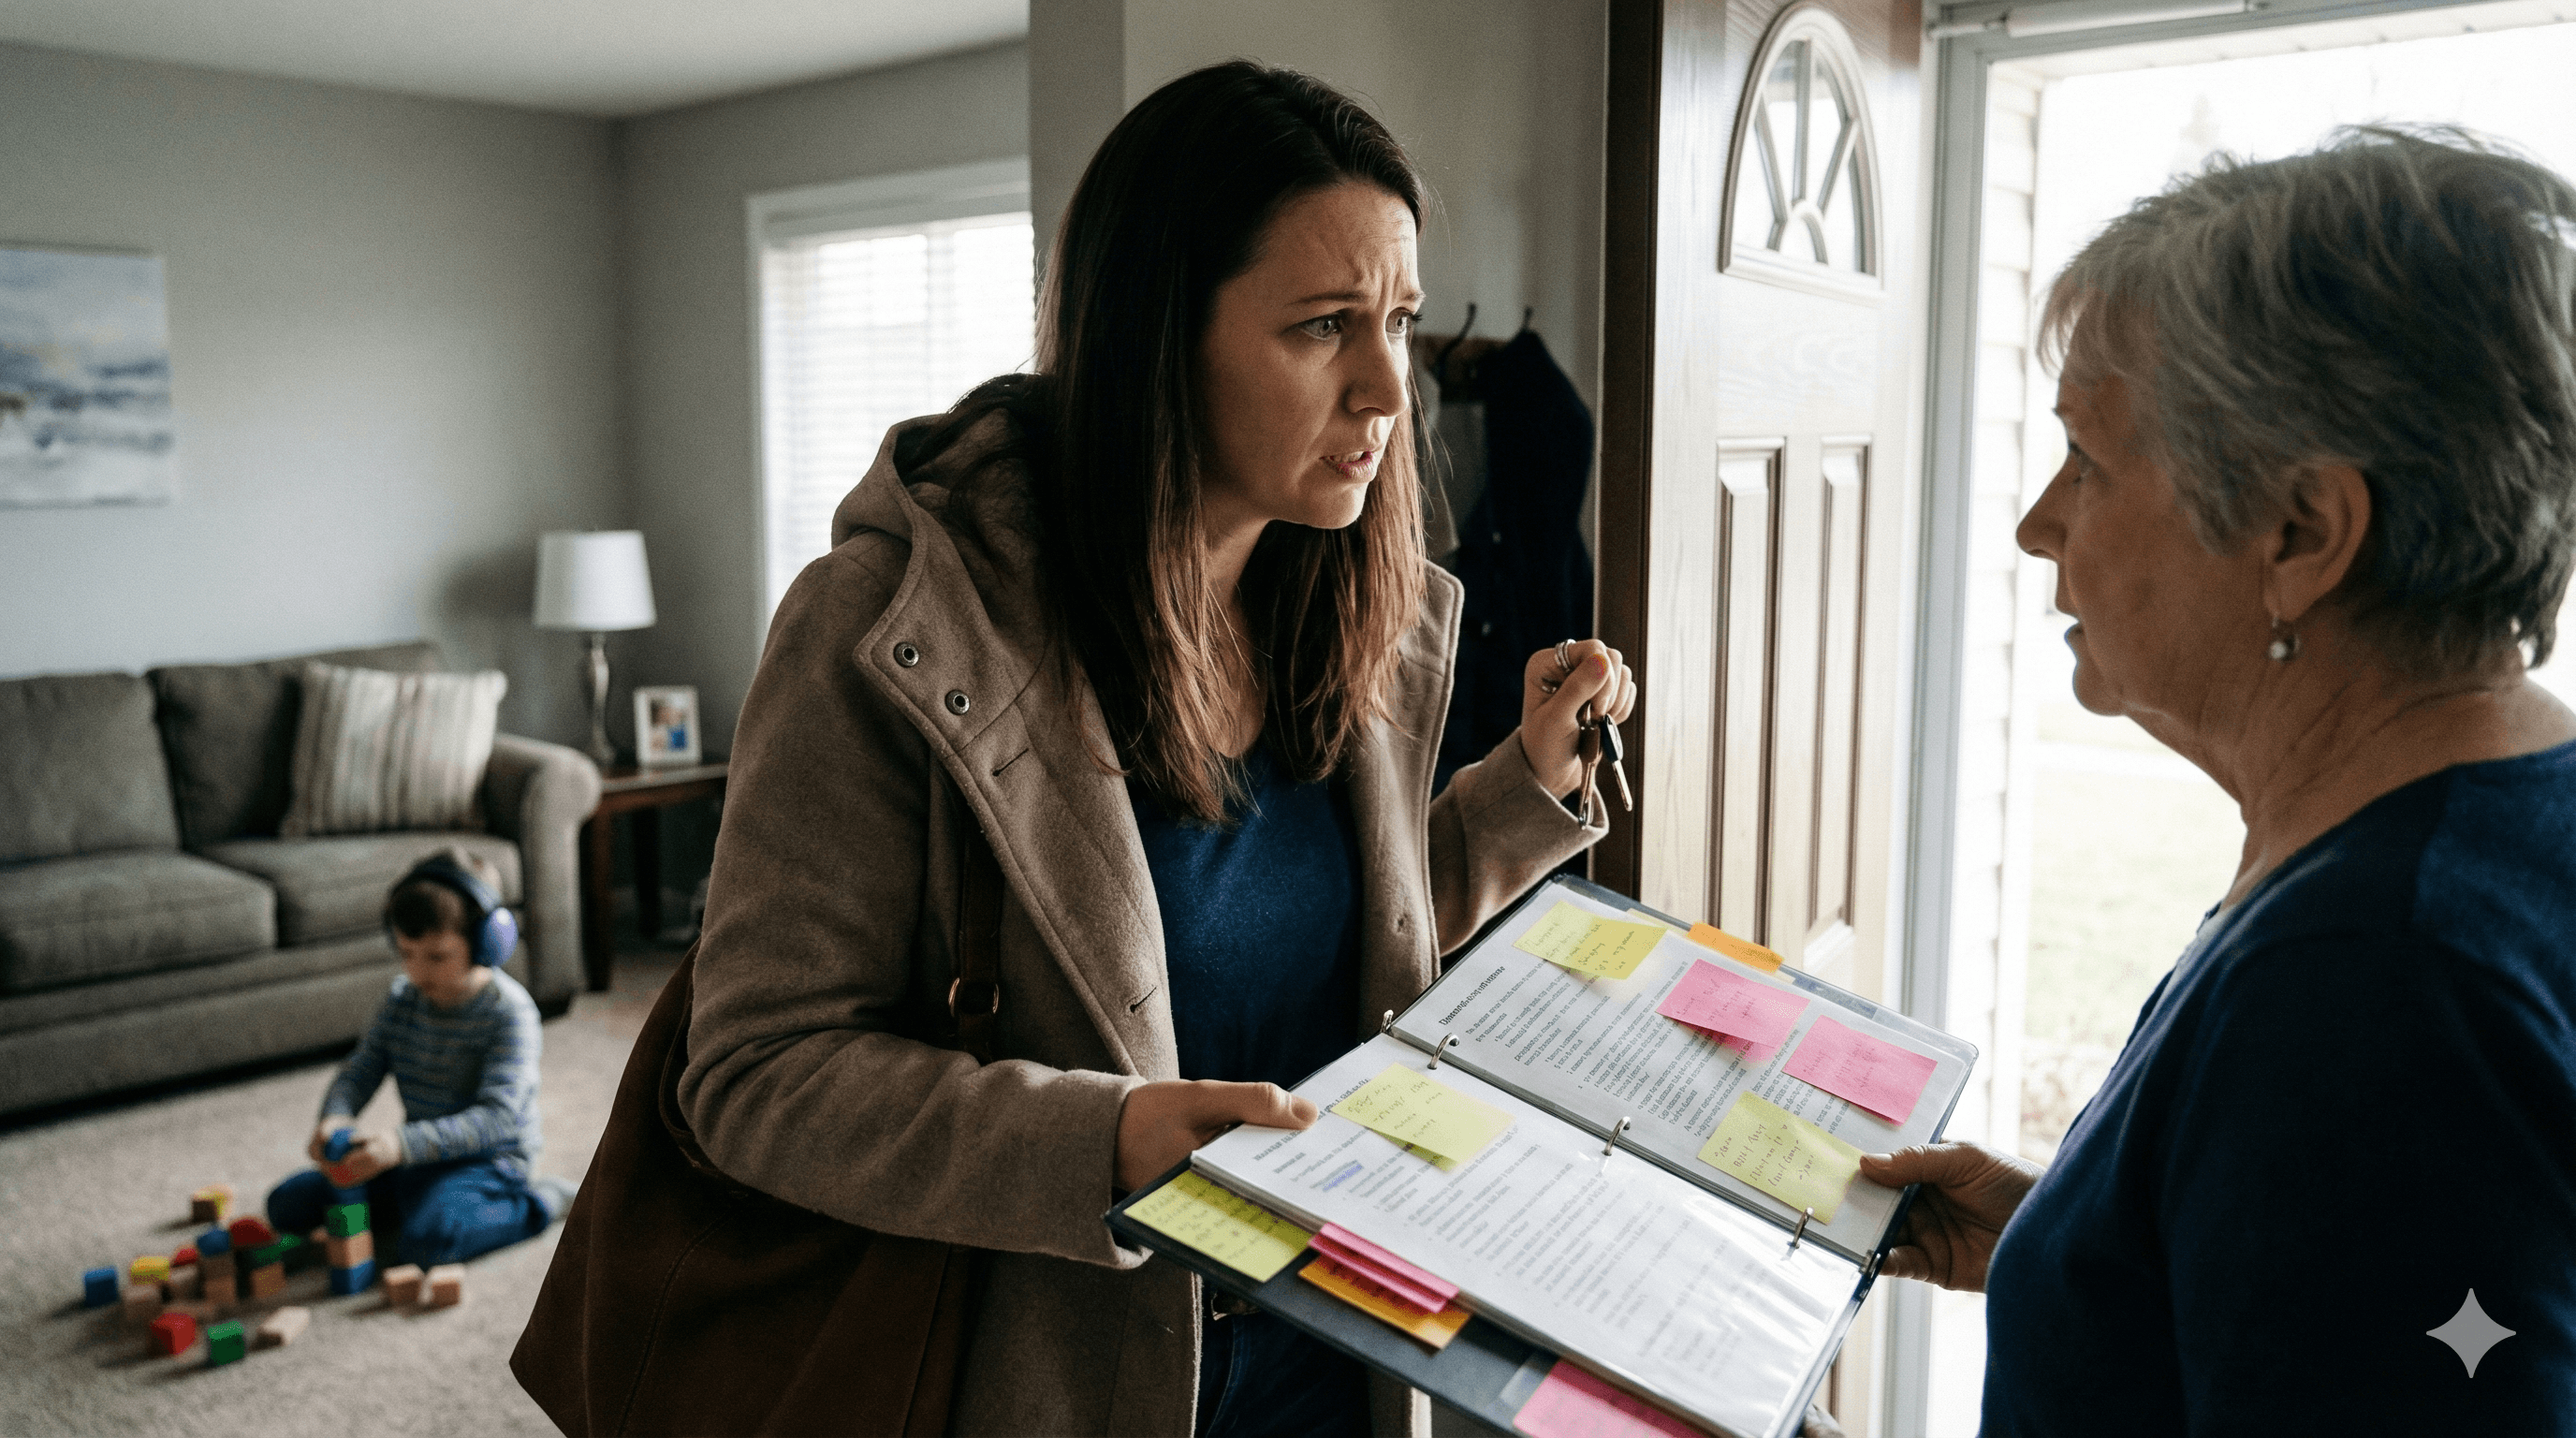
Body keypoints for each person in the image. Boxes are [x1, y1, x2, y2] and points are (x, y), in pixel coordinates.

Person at [677, 62, 1633, 1438]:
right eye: (1323, 327)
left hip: (1336, 1352)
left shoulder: (1348, 601)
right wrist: (1101, 1143)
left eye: (1400, 323)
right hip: (1054, 1374)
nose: (1386, 389)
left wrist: (1523, 788)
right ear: (1155, 337)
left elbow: (1327, 944)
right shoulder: (889, 631)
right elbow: (755, 1074)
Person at [1865, 126, 2576, 1431]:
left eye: (2088, 460)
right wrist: (2080, 1253)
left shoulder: (2372, 993)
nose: (2039, 525)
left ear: (2301, 532)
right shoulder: (2511, 806)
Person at [266, 849, 577, 1265]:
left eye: (437, 957)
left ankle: (541, 1201)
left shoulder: (510, 1013)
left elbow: (497, 1118)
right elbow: (360, 1071)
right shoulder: (401, 999)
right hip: (417, 1155)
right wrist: (336, 1116)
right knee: (286, 1206)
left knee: (430, 1242)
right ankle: (414, 1204)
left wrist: (399, 1144)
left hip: (489, 1162)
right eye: (407, 953)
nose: (417, 973)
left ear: (487, 943)